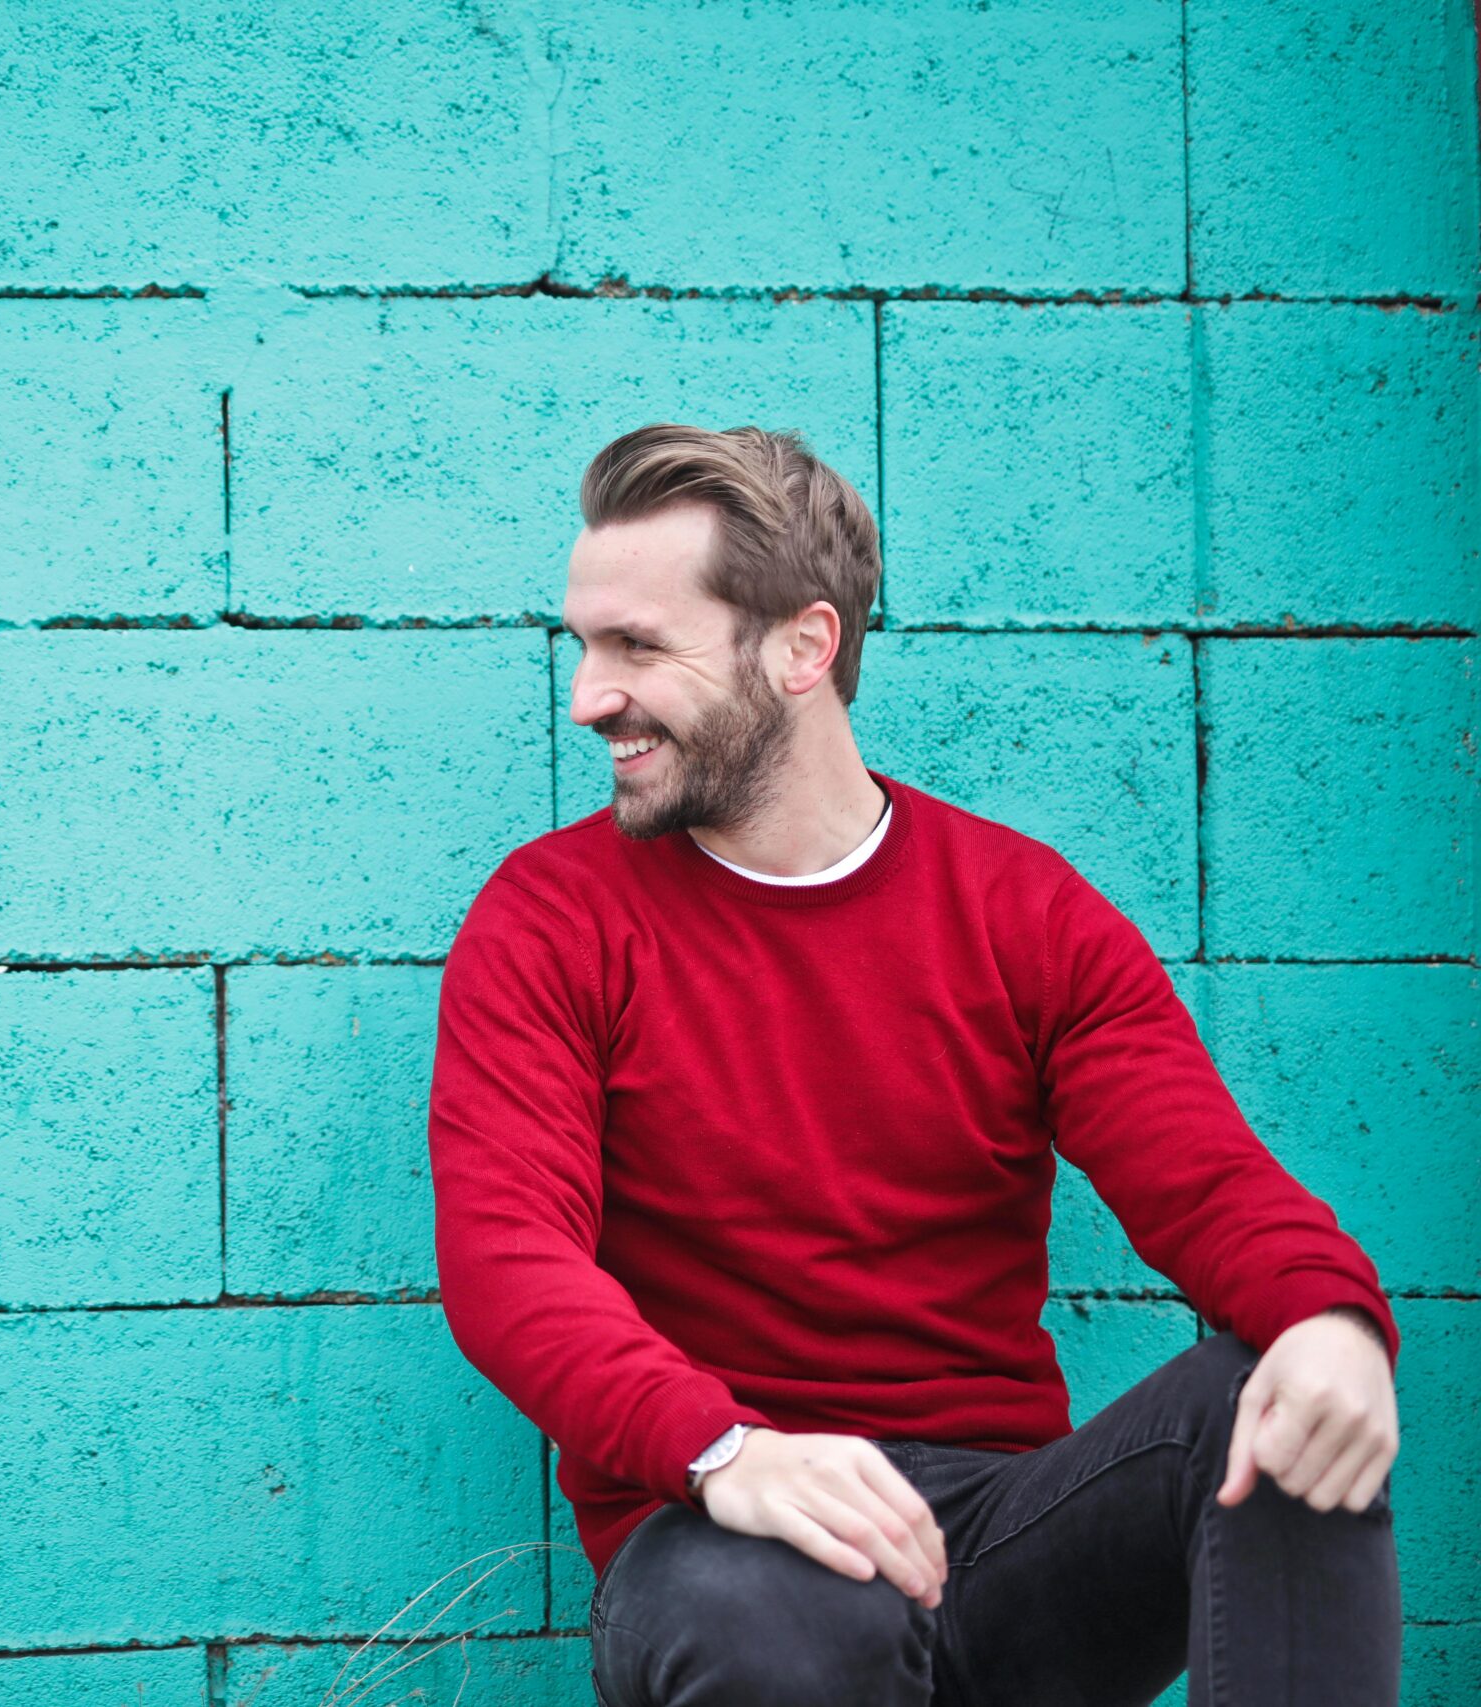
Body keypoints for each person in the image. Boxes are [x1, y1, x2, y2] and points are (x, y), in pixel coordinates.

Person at [425, 424, 1402, 1706]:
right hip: (723, 1533)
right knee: (767, 1622)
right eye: (585, 646)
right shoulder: (552, 919)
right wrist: (725, 1452)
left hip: (996, 1537)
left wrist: (1331, 1322)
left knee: (1272, 1403)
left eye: (638, 648)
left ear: (802, 648)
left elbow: (1206, 1180)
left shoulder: (1021, 912)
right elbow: (508, 1261)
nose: (587, 695)